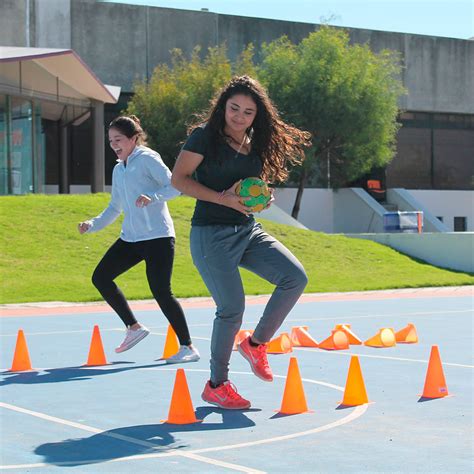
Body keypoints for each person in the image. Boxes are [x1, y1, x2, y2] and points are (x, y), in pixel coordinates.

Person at [172, 76, 311, 408]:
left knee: (295, 278)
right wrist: (224, 199)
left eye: (247, 112)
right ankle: (217, 384)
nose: (239, 116)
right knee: (231, 308)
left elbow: (247, 187)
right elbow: (179, 180)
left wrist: (261, 196)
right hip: (211, 235)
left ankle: (256, 344)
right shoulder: (203, 138)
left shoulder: (253, 144)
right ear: (223, 107)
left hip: (246, 229)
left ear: (255, 117)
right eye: (234, 108)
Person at [78, 115, 199, 364]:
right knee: (100, 277)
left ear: (134, 139)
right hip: (131, 239)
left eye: (119, 139)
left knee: (161, 291)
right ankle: (133, 327)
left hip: (158, 237)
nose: (114, 145)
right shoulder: (118, 168)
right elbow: (114, 207)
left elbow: (175, 186)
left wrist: (152, 197)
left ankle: (188, 347)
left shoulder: (148, 159)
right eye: (111, 140)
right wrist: (92, 224)